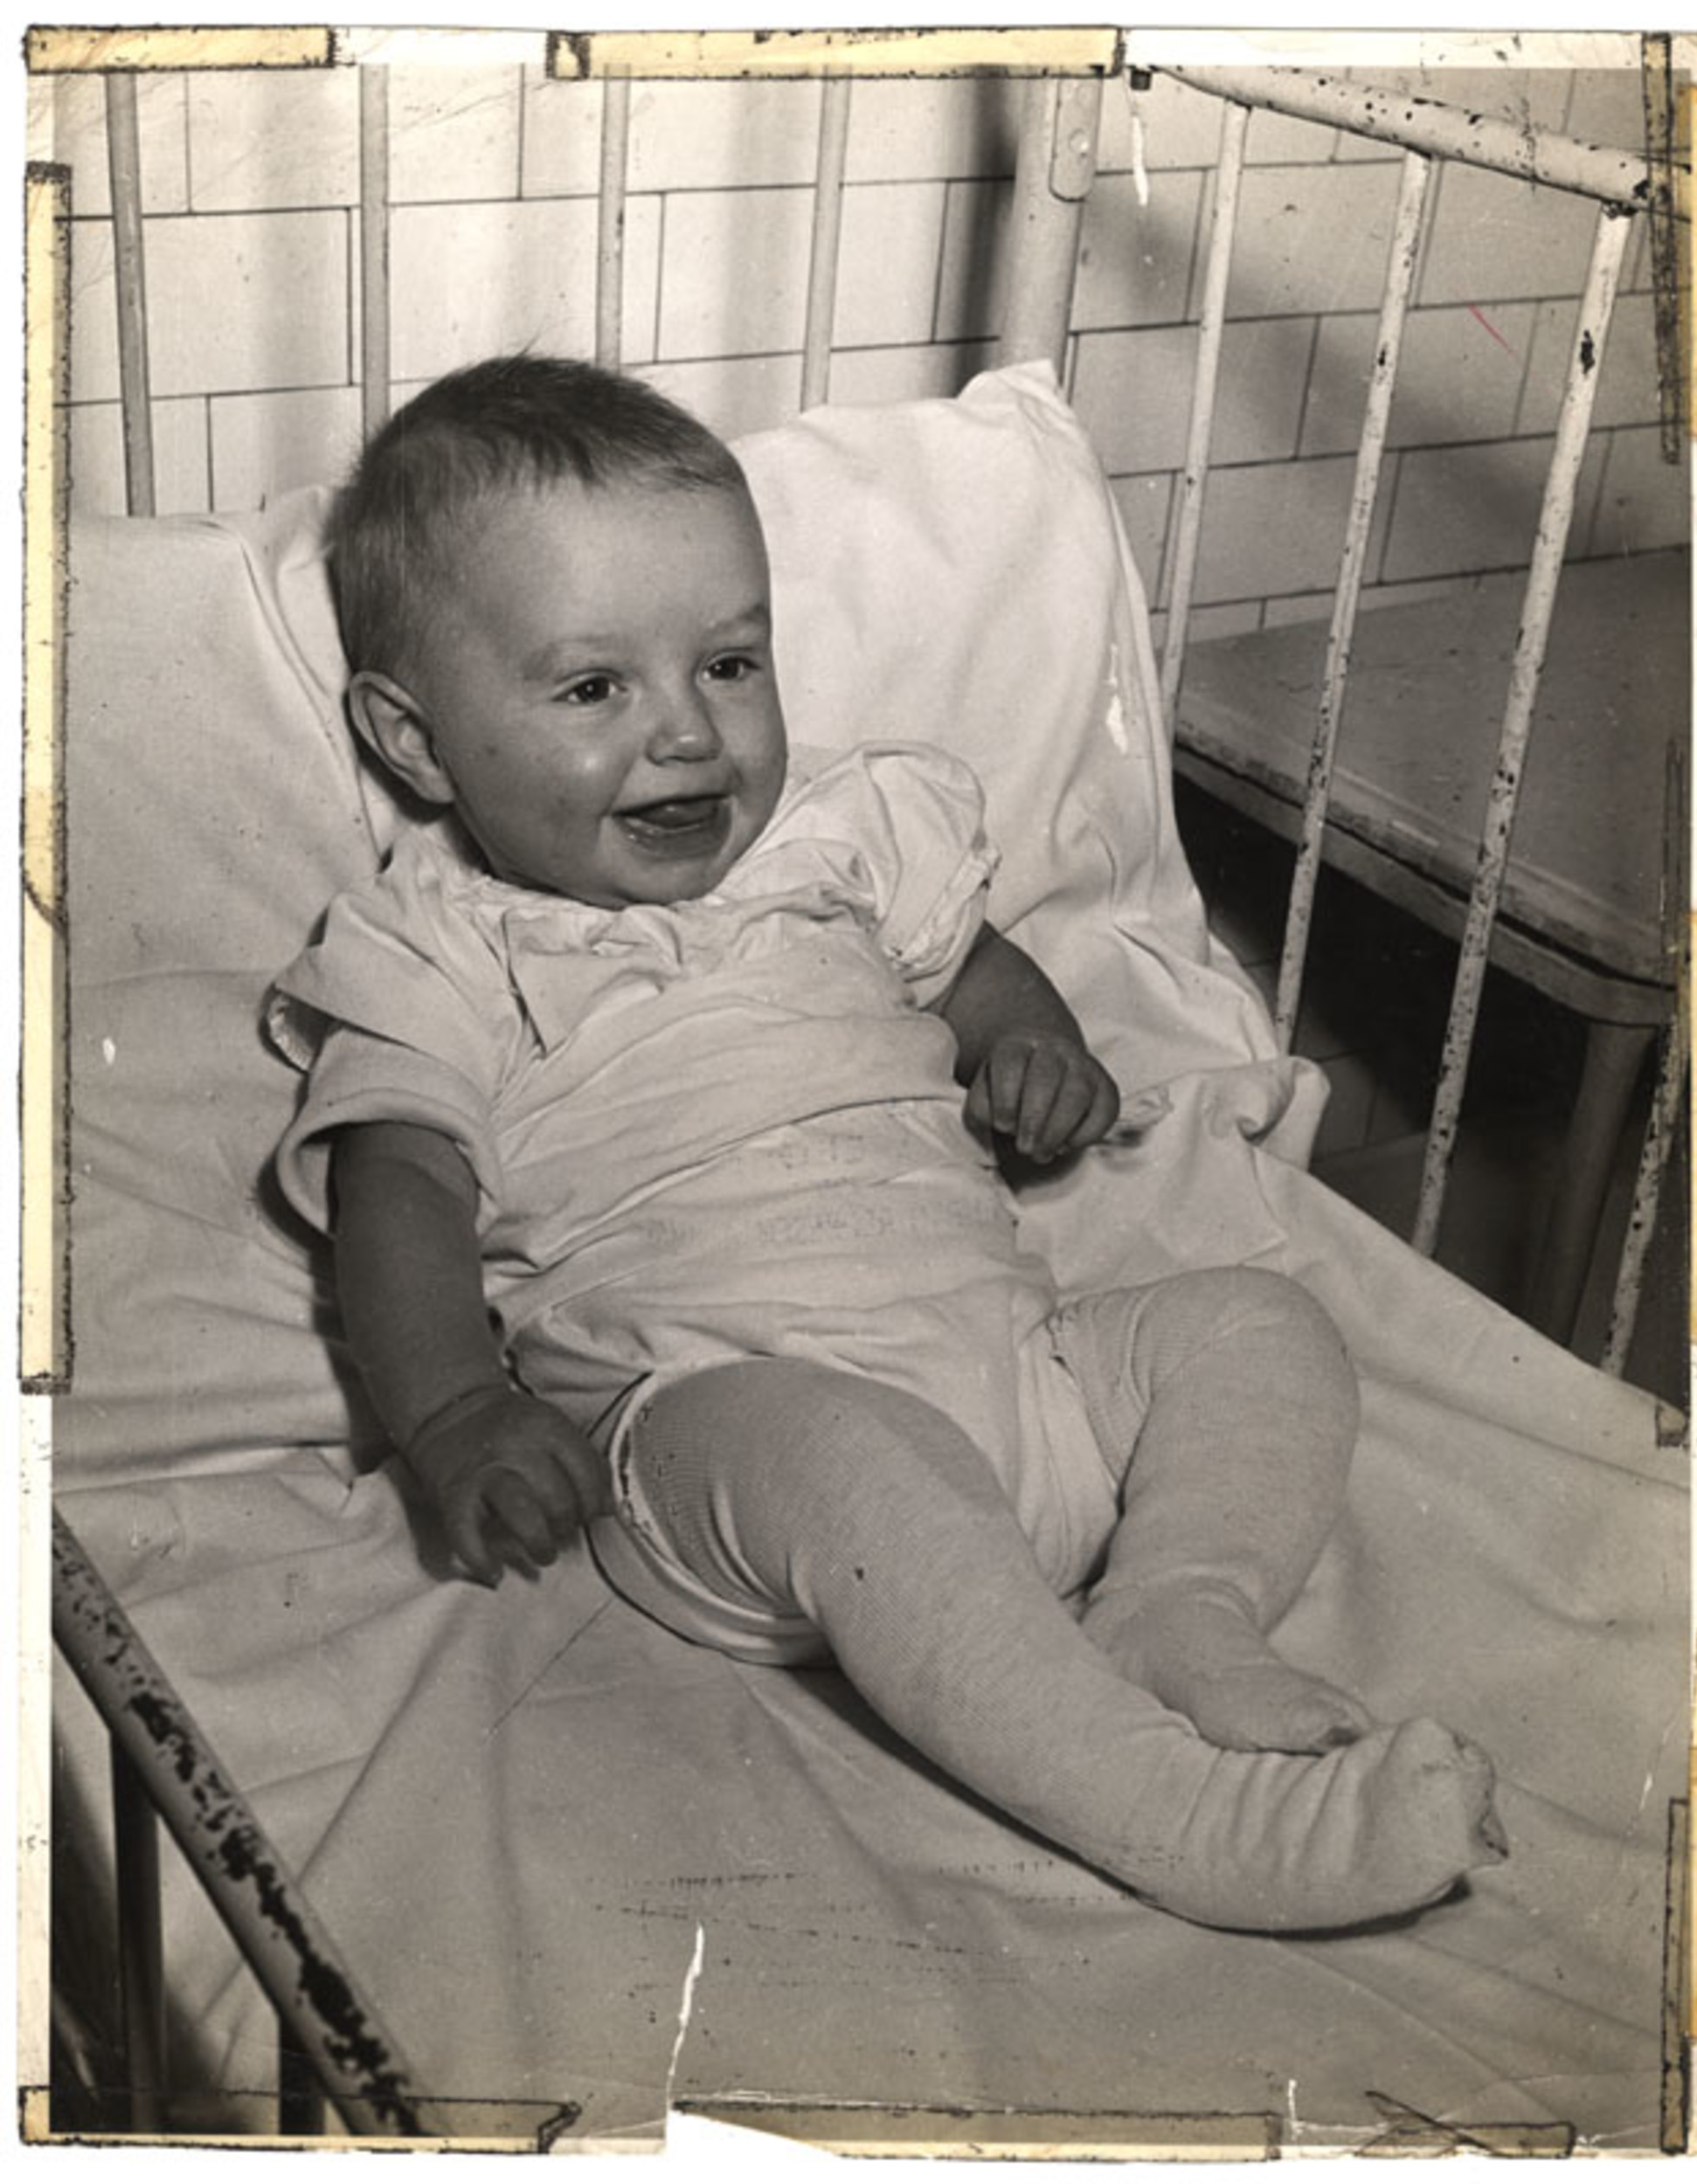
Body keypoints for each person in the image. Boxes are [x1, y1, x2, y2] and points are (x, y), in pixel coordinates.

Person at [271, 355, 1505, 1933]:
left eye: (730, 664)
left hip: (1025, 1381)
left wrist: (1035, 1045)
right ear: (417, 742)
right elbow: (400, 1189)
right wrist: (455, 1413)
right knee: (855, 1463)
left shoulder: (836, 842)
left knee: (1256, 1326)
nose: (688, 736)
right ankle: (1178, 1814)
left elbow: (975, 969)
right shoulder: (443, 948)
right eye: (593, 692)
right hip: (726, 1431)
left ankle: (1178, 1609)